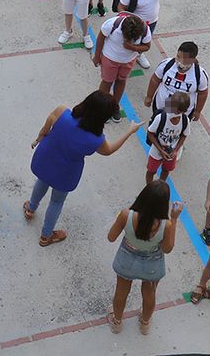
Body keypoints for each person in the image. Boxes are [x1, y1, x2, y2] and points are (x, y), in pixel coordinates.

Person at [26, 91, 142, 246]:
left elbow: (45, 129)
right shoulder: (96, 139)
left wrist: (38, 139)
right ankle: (46, 236)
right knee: (56, 201)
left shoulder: (62, 112)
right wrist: (129, 131)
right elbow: (109, 151)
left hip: (45, 159)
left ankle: (31, 208)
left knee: (42, 181)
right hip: (66, 173)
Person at [106, 182, 181, 334]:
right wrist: (174, 219)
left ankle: (117, 322)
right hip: (151, 264)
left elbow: (111, 237)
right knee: (149, 292)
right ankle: (145, 323)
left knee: (121, 291)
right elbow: (167, 249)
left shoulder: (126, 215)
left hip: (126, 260)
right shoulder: (165, 225)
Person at [95, 13, 151, 117]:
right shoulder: (112, 25)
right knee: (107, 82)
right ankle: (101, 107)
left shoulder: (145, 30)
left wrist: (133, 48)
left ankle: (114, 106)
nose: (129, 41)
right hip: (109, 59)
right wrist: (97, 56)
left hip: (128, 61)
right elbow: (100, 38)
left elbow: (147, 46)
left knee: (121, 81)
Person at [113, 0, 167, 68]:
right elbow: (120, 8)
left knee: (144, 41)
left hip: (152, 22)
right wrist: (129, 21)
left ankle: (139, 55)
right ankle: (125, 58)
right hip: (137, 25)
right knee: (132, 42)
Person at [145, 41, 210, 121]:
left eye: (184, 60)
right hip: (161, 107)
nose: (180, 62)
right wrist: (149, 96)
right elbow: (155, 80)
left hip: (183, 115)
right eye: (178, 57)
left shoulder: (200, 74)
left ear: (193, 60)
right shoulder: (166, 64)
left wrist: (197, 111)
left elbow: (203, 93)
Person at [144, 91, 191, 183]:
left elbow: (184, 135)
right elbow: (150, 133)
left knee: (166, 170)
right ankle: (149, 188)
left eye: (175, 109)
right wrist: (160, 150)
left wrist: (175, 150)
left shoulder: (185, 121)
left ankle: (161, 185)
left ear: (182, 111)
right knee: (151, 171)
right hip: (157, 150)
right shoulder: (160, 118)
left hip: (171, 152)